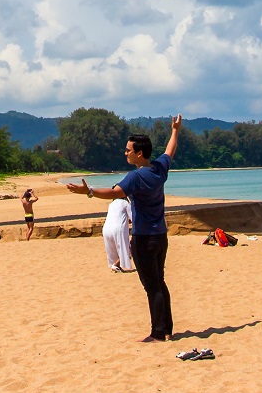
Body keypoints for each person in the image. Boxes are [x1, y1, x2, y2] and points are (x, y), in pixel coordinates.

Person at [67, 116, 182, 341]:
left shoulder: (136, 176)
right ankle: (167, 329)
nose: (125, 153)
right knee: (160, 282)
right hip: (160, 237)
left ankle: (158, 332)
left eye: (128, 150)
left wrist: (88, 191)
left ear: (140, 153)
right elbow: (170, 150)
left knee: (152, 286)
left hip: (144, 239)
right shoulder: (159, 168)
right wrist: (175, 131)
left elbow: (114, 193)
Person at [103, 197, 135, 272]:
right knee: (127, 248)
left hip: (106, 228)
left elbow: (117, 217)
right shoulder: (125, 204)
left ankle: (115, 265)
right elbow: (134, 218)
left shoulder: (111, 204)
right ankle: (116, 264)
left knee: (112, 249)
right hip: (118, 229)